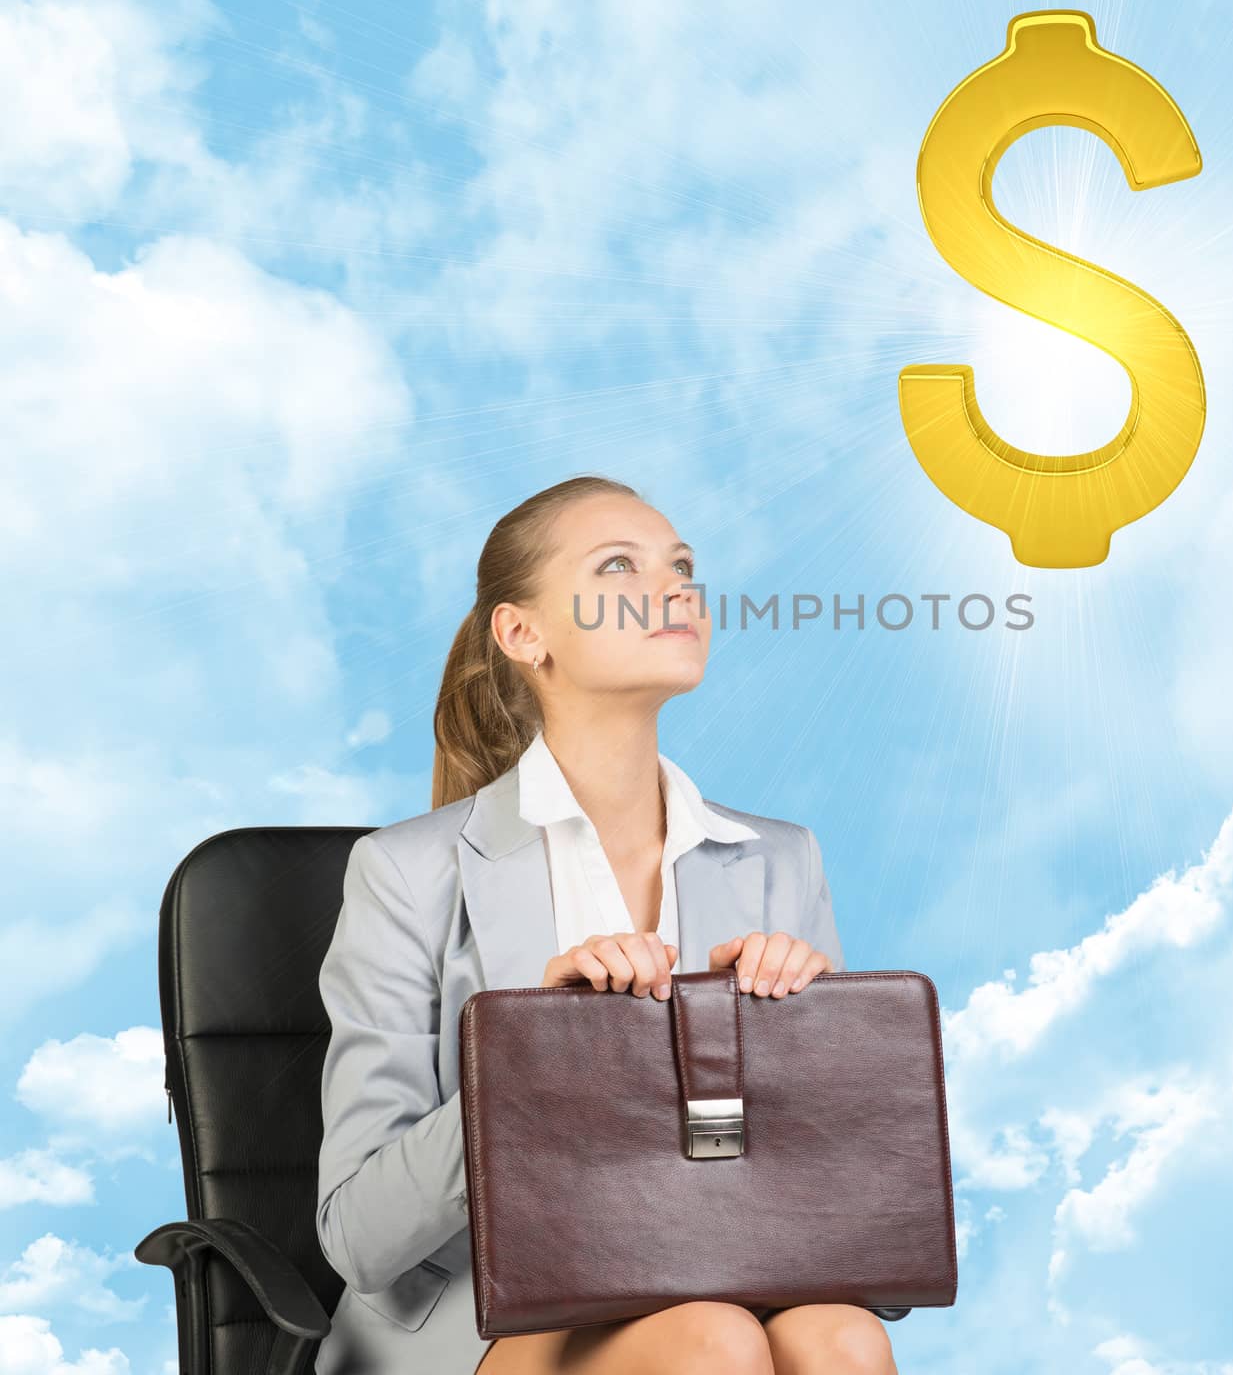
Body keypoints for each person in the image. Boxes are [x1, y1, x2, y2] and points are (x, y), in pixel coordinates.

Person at [313, 475, 902, 1374]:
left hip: (709, 1269)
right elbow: (359, 1237)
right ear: (523, 633)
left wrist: (809, 1056)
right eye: (620, 565)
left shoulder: (783, 861)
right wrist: (529, 1060)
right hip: (476, 1312)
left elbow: (845, 1229)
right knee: (712, 1341)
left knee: (844, 1338)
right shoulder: (405, 872)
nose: (675, 590)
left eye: (684, 567)